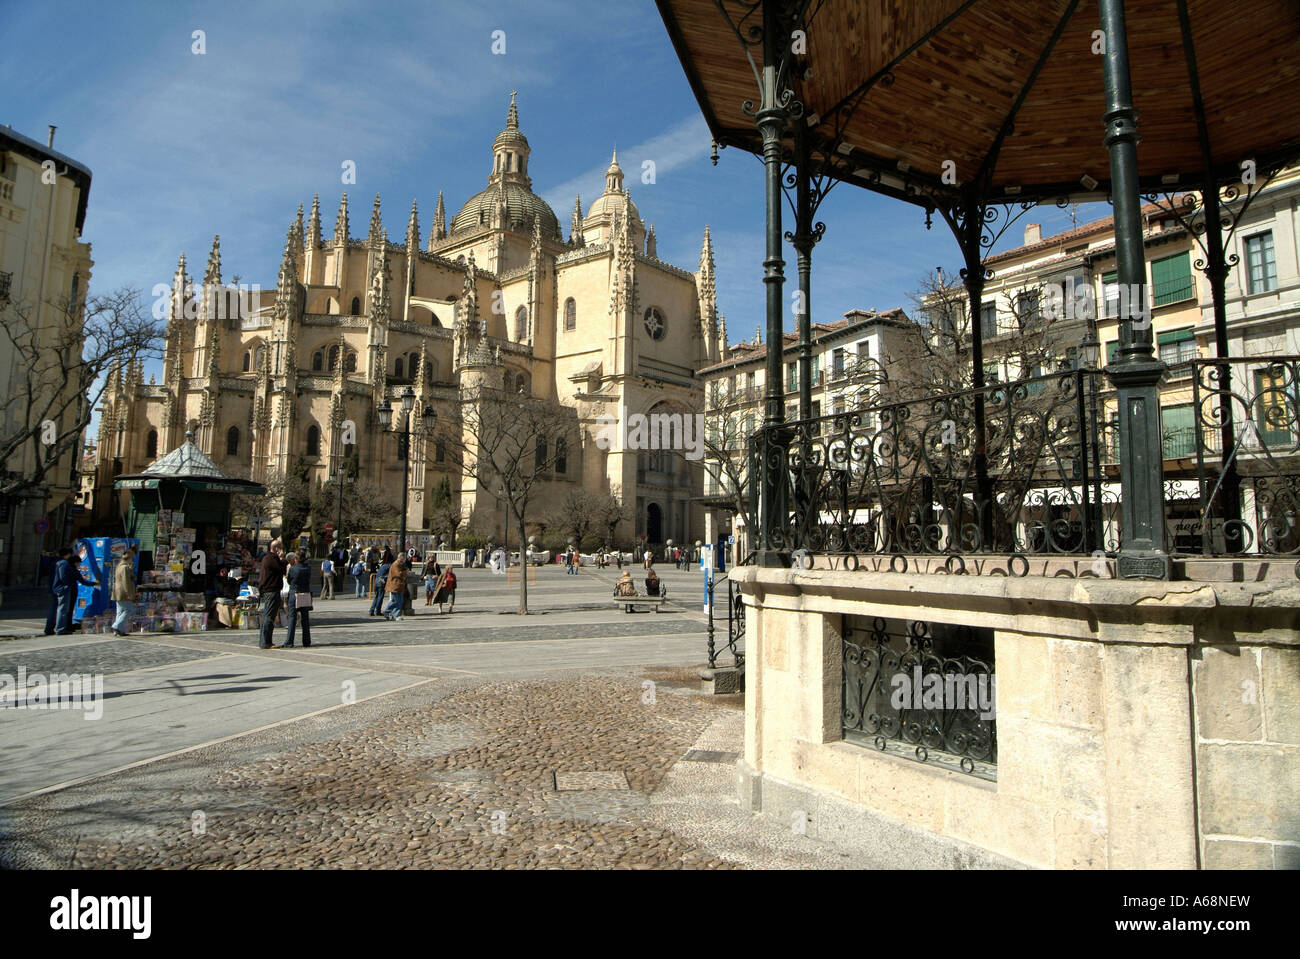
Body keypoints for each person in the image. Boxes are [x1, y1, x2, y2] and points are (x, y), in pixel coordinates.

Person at [45, 547, 97, 636]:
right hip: (62, 589)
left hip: (54, 588)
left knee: (53, 610)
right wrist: (66, 586)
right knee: (62, 609)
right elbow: (63, 577)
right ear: (68, 554)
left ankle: (49, 629)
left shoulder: (55, 562)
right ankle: (60, 629)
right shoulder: (64, 563)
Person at [257, 539, 287, 649]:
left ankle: (264, 641)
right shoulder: (271, 558)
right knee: (269, 616)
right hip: (271, 590)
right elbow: (281, 569)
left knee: (267, 616)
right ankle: (266, 642)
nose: (282, 549)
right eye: (280, 547)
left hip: (269, 590)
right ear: (276, 549)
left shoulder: (267, 558)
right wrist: (282, 558)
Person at [283, 552, 313, 648]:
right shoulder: (308, 568)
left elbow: (289, 580)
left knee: (292, 618)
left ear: (296, 558)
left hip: (295, 593)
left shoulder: (293, 569)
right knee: (305, 619)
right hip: (305, 593)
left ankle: (289, 641)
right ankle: (306, 641)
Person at [110, 546, 138, 637]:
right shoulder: (125, 567)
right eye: (132, 558)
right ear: (129, 558)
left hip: (117, 592)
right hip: (123, 592)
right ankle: (116, 626)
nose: (132, 560)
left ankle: (119, 631)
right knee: (128, 609)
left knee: (120, 611)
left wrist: (131, 569)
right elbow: (126, 581)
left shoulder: (119, 566)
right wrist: (129, 593)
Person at [384, 556, 408, 621]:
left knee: (396, 601)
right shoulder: (396, 565)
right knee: (397, 601)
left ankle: (389, 612)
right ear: (400, 558)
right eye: (403, 560)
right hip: (395, 585)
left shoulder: (398, 565)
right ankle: (393, 614)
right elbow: (398, 574)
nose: (403, 562)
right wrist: (405, 572)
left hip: (398, 586)